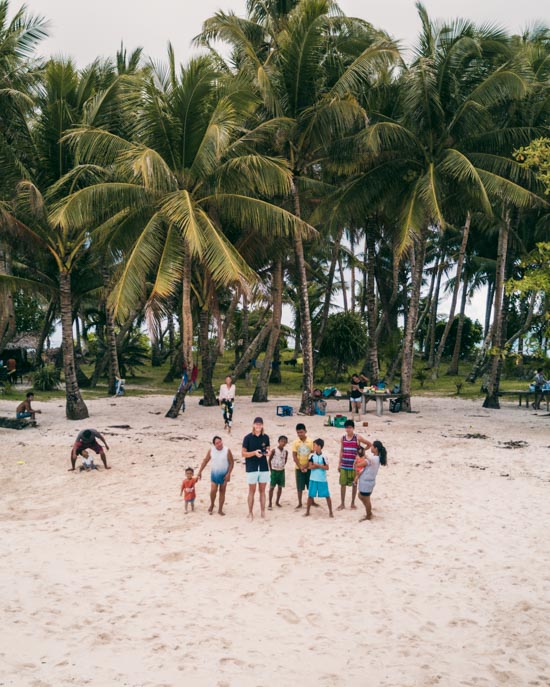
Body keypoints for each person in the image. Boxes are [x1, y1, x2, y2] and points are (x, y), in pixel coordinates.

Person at [338, 419, 371, 510]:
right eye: (346, 428)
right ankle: (342, 504)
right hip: (344, 464)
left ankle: (352, 503)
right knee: (342, 484)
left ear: (353, 428)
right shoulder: (343, 438)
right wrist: (339, 463)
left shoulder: (357, 437)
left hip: (354, 466)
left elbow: (369, 444)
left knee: (354, 484)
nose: (348, 429)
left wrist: (362, 452)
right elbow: (341, 451)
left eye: (350, 427)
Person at [242, 417, 271, 520]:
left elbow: (268, 449)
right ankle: (250, 512)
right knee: (252, 491)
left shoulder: (266, 437)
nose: (258, 426)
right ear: (253, 425)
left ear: (262, 425)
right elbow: (243, 453)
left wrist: (268, 452)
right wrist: (254, 453)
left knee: (262, 491)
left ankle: (263, 512)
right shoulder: (247, 438)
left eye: (260, 424)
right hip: (252, 467)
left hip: (263, 466)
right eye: (256, 424)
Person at [198, 436, 234, 515]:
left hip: (225, 474)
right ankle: (212, 504)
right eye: (217, 443)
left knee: (222, 491)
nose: (219, 444)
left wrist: (228, 474)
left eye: (220, 442)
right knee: (213, 490)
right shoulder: (211, 450)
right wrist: (200, 471)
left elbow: (231, 463)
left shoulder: (227, 450)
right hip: (214, 474)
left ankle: (220, 509)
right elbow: (205, 460)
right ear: (214, 445)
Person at [356, 440, 387, 521]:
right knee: (364, 497)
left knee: (364, 498)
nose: (371, 447)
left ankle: (368, 515)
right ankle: (369, 513)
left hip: (366, 482)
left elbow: (360, 464)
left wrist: (357, 460)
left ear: (376, 448)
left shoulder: (373, 459)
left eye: (372, 446)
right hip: (369, 481)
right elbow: (368, 460)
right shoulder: (377, 458)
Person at [304, 439, 334, 518]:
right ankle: (307, 511)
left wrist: (317, 465)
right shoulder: (311, 456)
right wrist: (319, 466)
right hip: (313, 479)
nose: (313, 447)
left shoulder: (324, 456)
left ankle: (331, 512)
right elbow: (310, 466)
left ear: (319, 446)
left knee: (327, 496)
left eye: (315, 445)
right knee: (310, 496)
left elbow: (327, 467)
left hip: (322, 479)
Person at [291, 423, 315, 509]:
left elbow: (312, 455)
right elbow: (294, 455)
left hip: (309, 467)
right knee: (299, 487)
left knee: (310, 485)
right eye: (298, 432)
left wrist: (306, 465)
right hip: (298, 468)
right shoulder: (295, 442)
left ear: (305, 431)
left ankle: (312, 501)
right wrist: (300, 466)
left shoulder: (311, 441)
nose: (300, 434)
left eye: (301, 432)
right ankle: (300, 502)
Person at [268, 435, 288, 509]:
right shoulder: (274, 450)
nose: (283, 443)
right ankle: (270, 503)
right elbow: (269, 460)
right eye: (282, 441)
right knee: (272, 487)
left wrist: (282, 466)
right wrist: (271, 469)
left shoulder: (286, 452)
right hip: (274, 471)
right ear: (279, 441)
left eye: (285, 442)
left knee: (280, 487)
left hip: (281, 471)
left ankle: (277, 501)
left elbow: (285, 460)